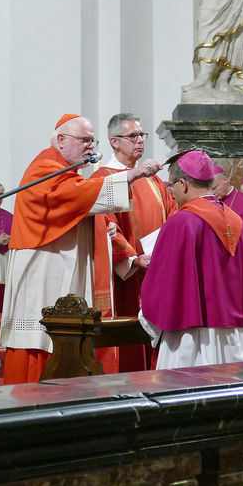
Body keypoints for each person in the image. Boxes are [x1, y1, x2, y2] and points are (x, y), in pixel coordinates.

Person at [0, 113, 162, 384]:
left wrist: (101, 228)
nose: (90, 147)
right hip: (42, 267)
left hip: (58, 264)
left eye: (92, 141)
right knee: (40, 337)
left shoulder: (69, 173)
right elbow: (71, 198)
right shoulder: (45, 167)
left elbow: (73, 208)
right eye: (84, 140)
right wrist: (131, 175)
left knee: (61, 334)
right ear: (61, 140)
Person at [139, 150, 243, 369]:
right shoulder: (237, 222)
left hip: (193, 338)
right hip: (238, 337)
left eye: (171, 187)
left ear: (184, 184)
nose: (171, 193)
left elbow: (163, 283)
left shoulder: (182, 222)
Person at [91, 113, 178, 372]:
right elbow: (105, 226)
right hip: (128, 276)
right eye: (133, 136)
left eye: (142, 135)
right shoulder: (104, 179)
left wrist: (168, 252)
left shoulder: (152, 179)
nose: (140, 141)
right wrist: (133, 259)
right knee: (130, 341)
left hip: (158, 268)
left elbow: (173, 215)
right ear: (114, 141)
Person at [212, 164, 243, 232]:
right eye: (209, 189)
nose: (212, 193)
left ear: (225, 180)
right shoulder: (209, 200)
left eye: (214, 188)